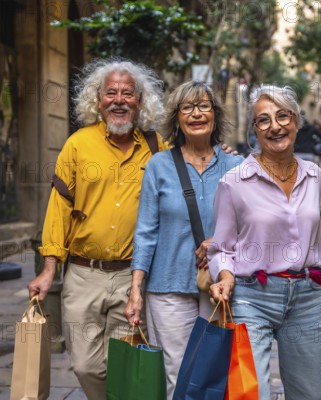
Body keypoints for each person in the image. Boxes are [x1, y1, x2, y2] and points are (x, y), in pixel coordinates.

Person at [27, 59, 168, 400]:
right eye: (111, 93)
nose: (119, 100)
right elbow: (58, 210)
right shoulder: (78, 144)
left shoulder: (157, 147)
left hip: (132, 276)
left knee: (123, 360)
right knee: (86, 365)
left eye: (127, 93)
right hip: (82, 273)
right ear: (98, 99)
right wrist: (49, 269)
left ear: (140, 100)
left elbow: (183, 185)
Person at [207, 85, 321, 400]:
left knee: (310, 394)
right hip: (252, 297)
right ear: (254, 129)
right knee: (250, 394)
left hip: (306, 298)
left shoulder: (316, 176)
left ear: (295, 121)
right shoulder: (234, 183)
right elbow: (221, 248)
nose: (275, 126)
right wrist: (223, 276)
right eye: (263, 120)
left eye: (282, 116)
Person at [123, 81, 243, 398]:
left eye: (204, 105)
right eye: (186, 108)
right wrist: (136, 289)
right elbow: (146, 232)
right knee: (179, 376)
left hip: (220, 285)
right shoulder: (159, 166)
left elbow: (251, 227)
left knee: (216, 375)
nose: (196, 113)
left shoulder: (237, 166)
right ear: (176, 119)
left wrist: (217, 242)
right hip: (167, 286)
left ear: (215, 114)